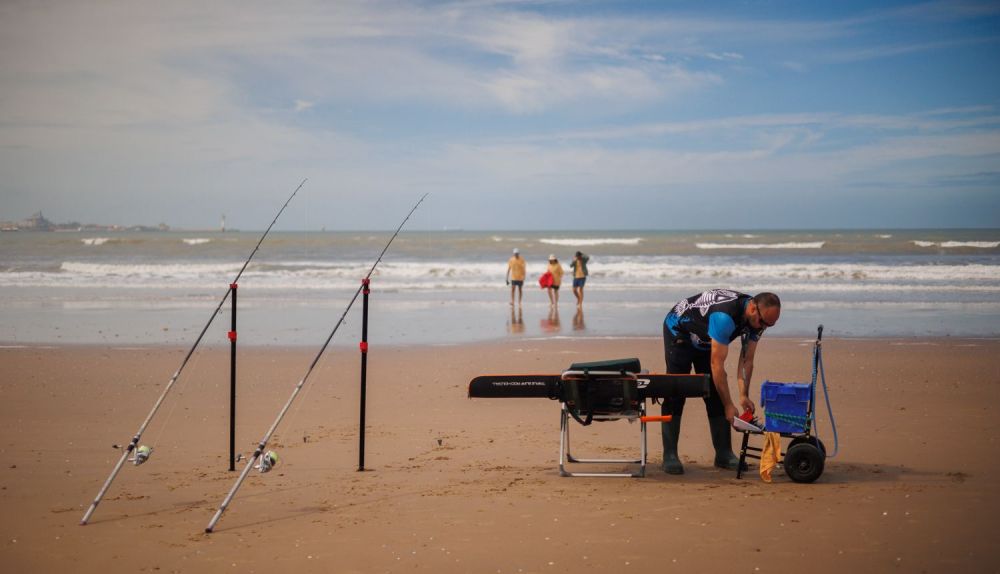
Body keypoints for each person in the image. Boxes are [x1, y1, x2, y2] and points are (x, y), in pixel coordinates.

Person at [659, 289, 781, 475]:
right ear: (752, 308)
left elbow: (747, 360)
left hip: (706, 337)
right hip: (679, 329)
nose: (763, 327)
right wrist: (729, 405)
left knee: (714, 391)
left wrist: (743, 395)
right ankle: (669, 455)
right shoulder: (724, 317)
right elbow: (718, 366)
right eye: (763, 322)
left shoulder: (759, 320)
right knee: (676, 391)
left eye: (769, 325)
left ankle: (723, 454)